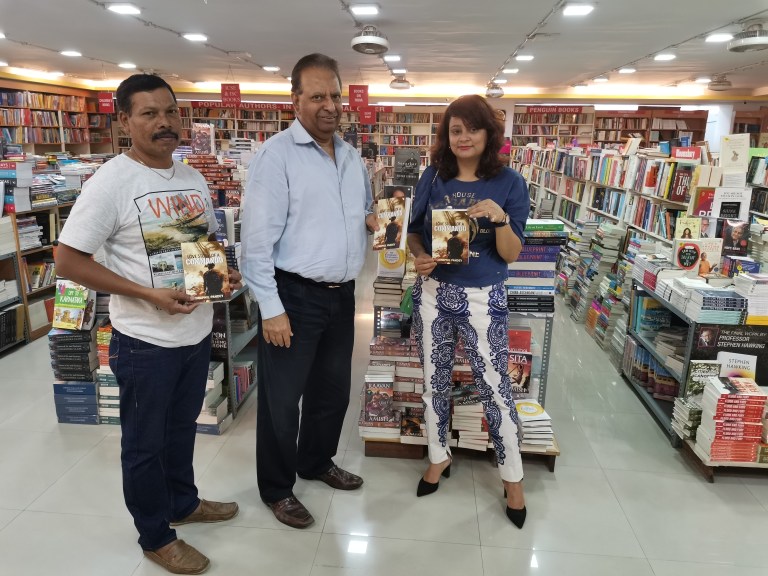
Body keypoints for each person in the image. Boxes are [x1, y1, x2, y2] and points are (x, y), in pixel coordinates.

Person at [55, 74, 241, 575]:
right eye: (148, 114)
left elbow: (198, 246)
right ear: (124, 122)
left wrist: (223, 269)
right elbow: (68, 261)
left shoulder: (191, 178)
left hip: (195, 331)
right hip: (145, 341)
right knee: (144, 443)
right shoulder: (111, 183)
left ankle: (183, 502)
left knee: (182, 428)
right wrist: (145, 294)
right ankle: (156, 535)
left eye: (169, 112)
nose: (163, 123)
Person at [240, 54, 377, 530]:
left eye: (335, 95)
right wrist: (272, 310)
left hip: (342, 296)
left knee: (333, 391)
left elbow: (360, 209)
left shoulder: (351, 155)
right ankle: (277, 488)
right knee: (282, 399)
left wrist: (374, 222)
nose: (329, 105)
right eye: (317, 96)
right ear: (294, 100)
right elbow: (254, 244)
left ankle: (316, 461)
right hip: (293, 297)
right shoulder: (275, 156)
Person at [407, 94, 530, 528]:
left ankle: (512, 477)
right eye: (455, 130)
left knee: (496, 388)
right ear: (447, 136)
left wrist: (500, 221)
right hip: (434, 293)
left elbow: (512, 254)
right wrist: (419, 256)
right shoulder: (433, 177)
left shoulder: (511, 183)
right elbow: (414, 235)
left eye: (472, 129)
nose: (463, 138)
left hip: (484, 297)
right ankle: (438, 457)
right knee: (432, 381)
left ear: (488, 134)